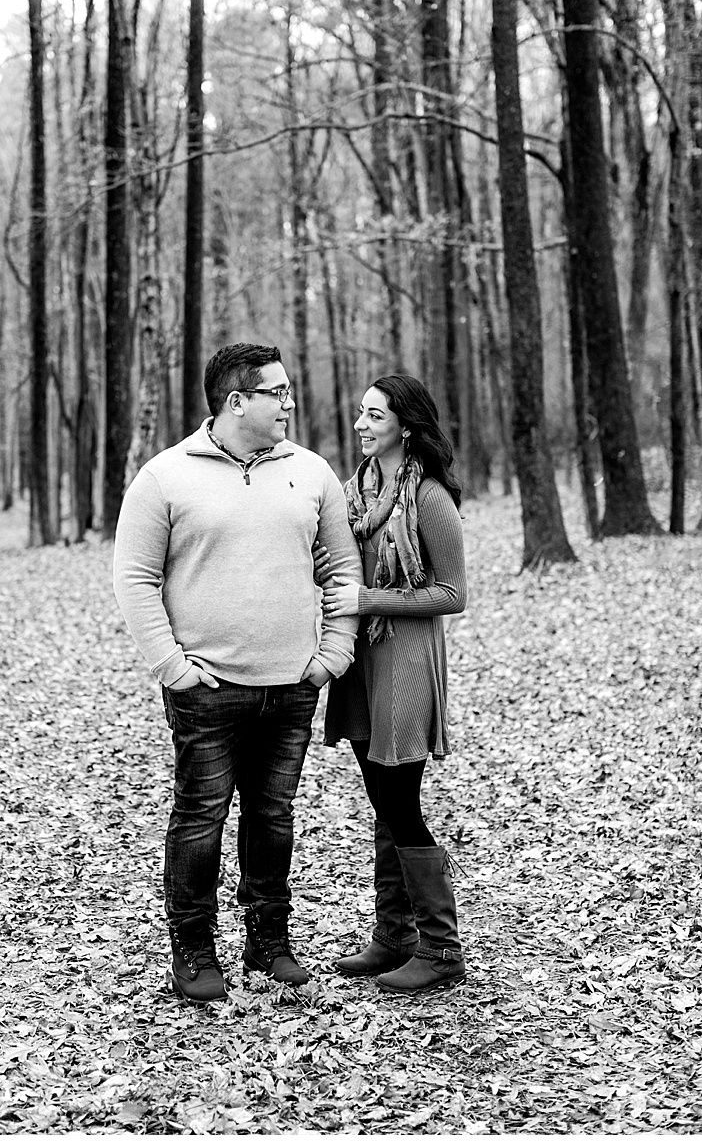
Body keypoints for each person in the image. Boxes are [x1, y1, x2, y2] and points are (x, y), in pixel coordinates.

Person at [113, 342, 362, 1002]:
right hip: (207, 689)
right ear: (236, 401)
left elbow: (343, 570)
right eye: (276, 393)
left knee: (272, 815)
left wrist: (334, 653)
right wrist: (172, 667)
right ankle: (194, 952)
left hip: (292, 686)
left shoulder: (311, 472)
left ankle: (268, 941)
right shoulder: (165, 477)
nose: (288, 403)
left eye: (287, 391)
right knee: (201, 817)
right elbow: (134, 579)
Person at [323, 375, 468, 994]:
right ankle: (394, 935)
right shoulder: (356, 492)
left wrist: (368, 598)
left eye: (375, 416)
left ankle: (442, 948)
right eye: (360, 413)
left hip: (405, 662)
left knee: (401, 805)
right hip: (361, 660)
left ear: (406, 427)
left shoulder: (428, 496)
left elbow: (452, 594)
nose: (361, 424)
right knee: (383, 802)